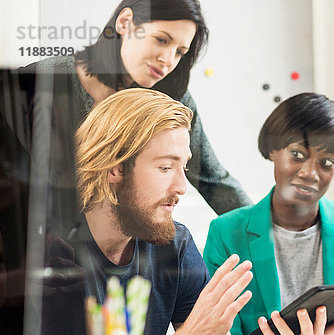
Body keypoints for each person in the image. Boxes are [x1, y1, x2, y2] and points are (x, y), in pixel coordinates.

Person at [74, 88, 253, 335]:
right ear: (115, 169)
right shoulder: (51, 252)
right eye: (166, 167)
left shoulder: (175, 245)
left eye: (184, 167)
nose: (181, 187)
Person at [19, 0, 250, 216]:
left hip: (127, 242)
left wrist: (266, 234)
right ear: (125, 22)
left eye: (180, 52)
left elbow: (213, 180)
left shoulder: (172, 97)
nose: (168, 59)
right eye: (161, 40)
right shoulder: (39, 81)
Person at [203, 93, 334, 335]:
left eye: (326, 163)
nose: (310, 173)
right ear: (273, 151)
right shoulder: (225, 233)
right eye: (298, 154)